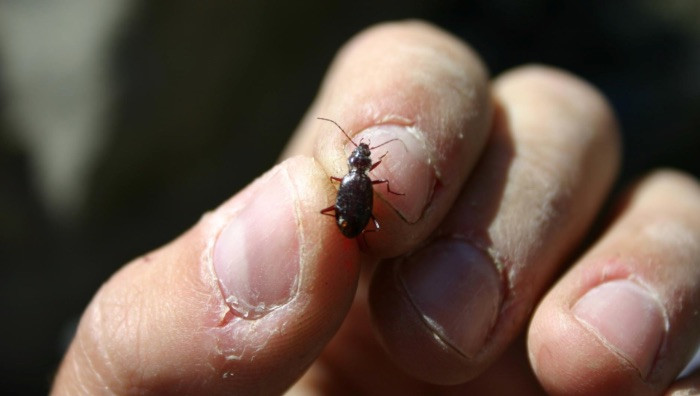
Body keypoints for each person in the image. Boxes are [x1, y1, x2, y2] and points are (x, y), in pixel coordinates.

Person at [51, 21, 700, 395]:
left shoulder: (354, 185)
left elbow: (356, 198)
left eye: (362, 156)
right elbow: (357, 199)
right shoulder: (355, 187)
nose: (362, 158)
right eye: (362, 156)